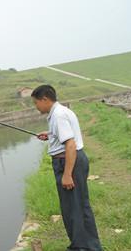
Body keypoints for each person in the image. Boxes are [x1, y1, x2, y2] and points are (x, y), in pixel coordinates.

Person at [31, 85, 102, 251]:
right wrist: (50, 134)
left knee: (74, 208)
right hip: (72, 161)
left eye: (36, 103)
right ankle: (88, 245)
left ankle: (82, 247)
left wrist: (67, 174)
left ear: (45, 99)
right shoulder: (61, 111)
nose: (36, 107)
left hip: (69, 162)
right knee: (77, 206)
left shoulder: (58, 116)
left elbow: (70, 144)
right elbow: (66, 136)